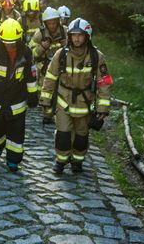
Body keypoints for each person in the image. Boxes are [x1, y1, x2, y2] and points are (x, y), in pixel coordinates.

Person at [39, 18, 112, 174]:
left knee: (81, 136)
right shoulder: (61, 54)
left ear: (87, 36)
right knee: (63, 134)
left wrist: (103, 108)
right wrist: (45, 100)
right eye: (74, 35)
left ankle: (77, 161)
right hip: (63, 100)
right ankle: (61, 161)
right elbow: (50, 77)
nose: (77, 38)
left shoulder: (96, 56)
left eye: (80, 35)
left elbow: (104, 82)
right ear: (70, 36)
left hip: (85, 103)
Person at [0, 19, 38, 171]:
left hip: (17, 100)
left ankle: (13, 160)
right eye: (6, 42)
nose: (9, 45)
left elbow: (31, 77)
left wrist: (33, 96)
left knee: (16, 131)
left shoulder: (26, 52)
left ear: (19, 38)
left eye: (13, 42)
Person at [30, 7, 68, 91]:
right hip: (44, 68)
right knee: (43, 89)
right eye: (49, 23)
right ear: (45, 23)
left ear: (58, 21)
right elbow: (31, 55)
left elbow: (77, 50)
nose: (52, 26)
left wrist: (68, 45)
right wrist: (42, 47)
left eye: (54, 23)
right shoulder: (39, 34)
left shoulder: (65, 31)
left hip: (63, 66)